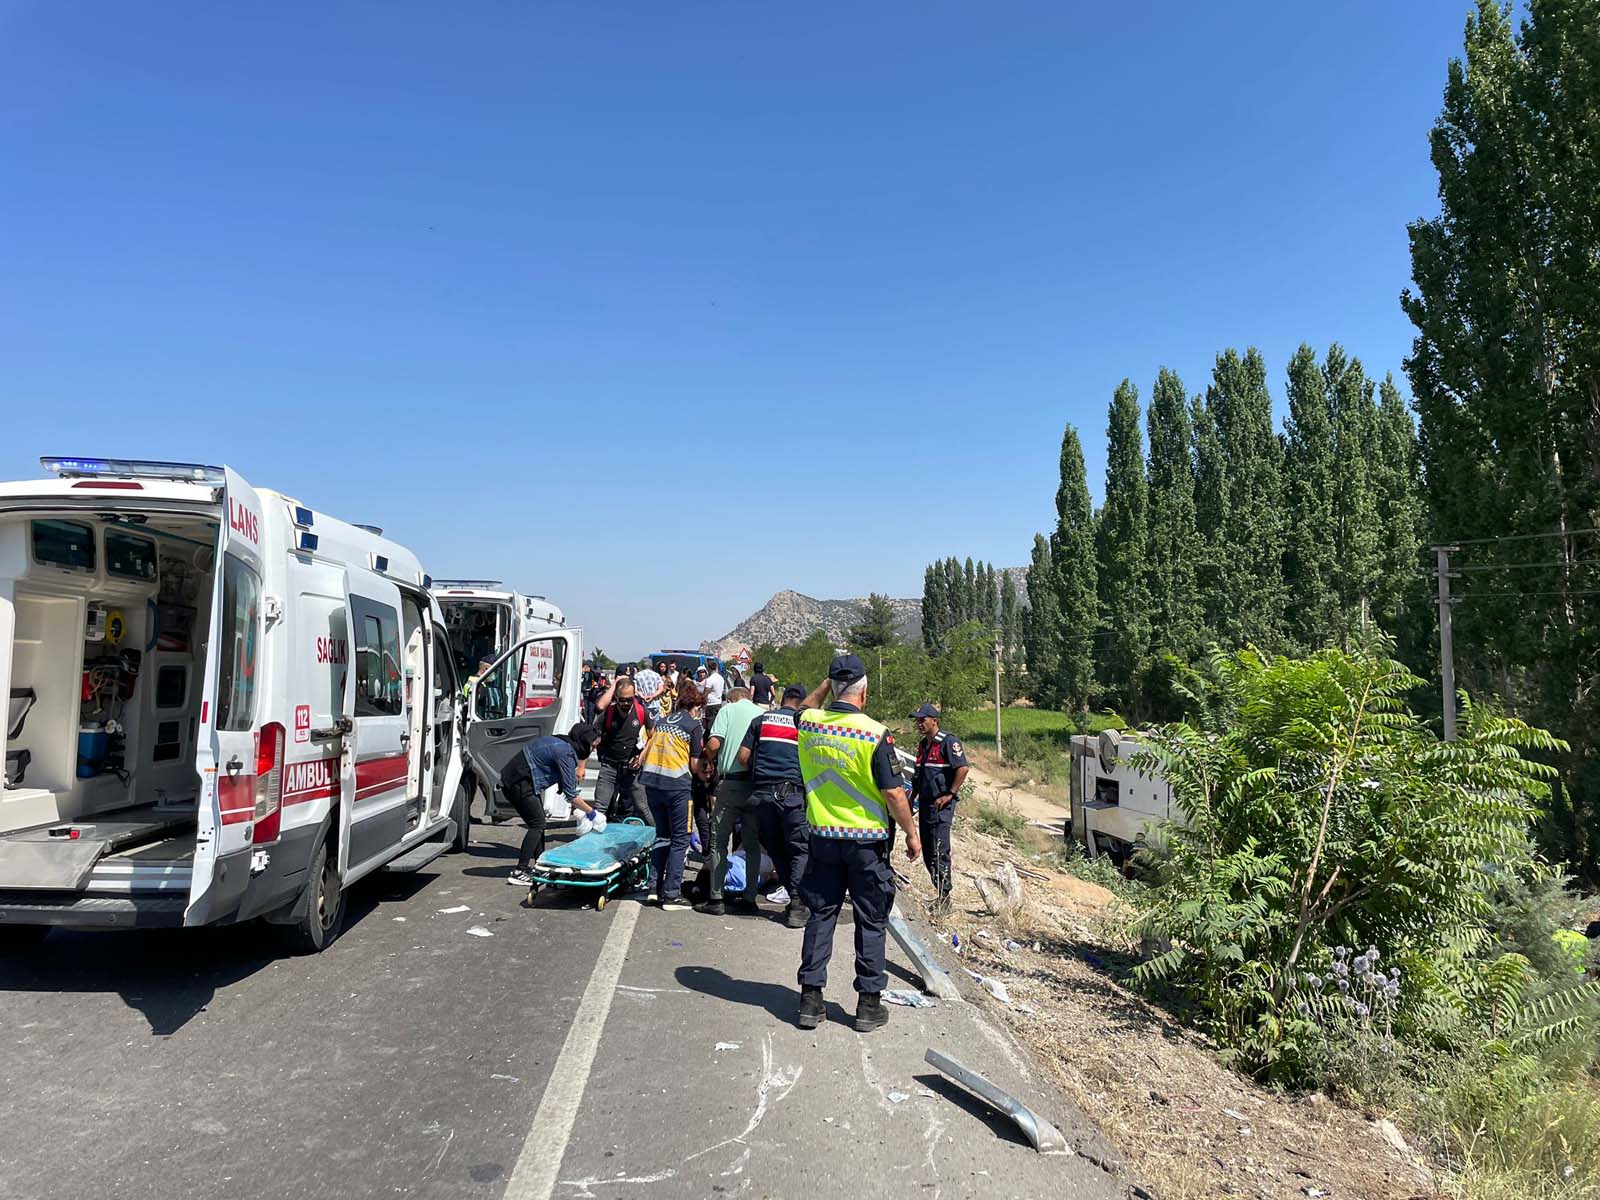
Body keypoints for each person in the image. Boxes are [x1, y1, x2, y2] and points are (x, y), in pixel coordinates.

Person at [794, 655, 920, 1033]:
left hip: (823, 839)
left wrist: (827, 684)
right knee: (871, 919)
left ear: (831, 687)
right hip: (867, 843)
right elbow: (895, 794)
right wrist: (913, 835)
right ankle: (868, 1004)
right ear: (864, 692)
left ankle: (810, 1000)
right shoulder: (874, 733)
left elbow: (804, 706)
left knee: (821, 916)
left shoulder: (810, 724)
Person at [502, 722, 605, 889]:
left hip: (517, 779)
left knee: (538, 822)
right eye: (592, 746)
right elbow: (571, 796)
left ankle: (541, 866)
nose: (592, 750)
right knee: (537, 824)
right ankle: (520, 871)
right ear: (584, 742)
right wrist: (593, 814)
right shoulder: (565, 753)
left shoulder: (561, 742)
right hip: (520, 782)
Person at [742, 683, 810, 928]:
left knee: (776, 849)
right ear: (801, 703)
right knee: (800, 849)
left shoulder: (760, 721)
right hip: (791, 796)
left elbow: (743, 757)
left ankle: (794, 898)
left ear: (782, 699)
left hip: (762, 796)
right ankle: (797, 903)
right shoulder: (803, 724)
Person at [696, 686, 767, 916]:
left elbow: (715, 744)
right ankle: (749, 898)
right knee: (751, 844)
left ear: (730, 698)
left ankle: (716, 898)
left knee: (719, 841)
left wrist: (706, 757)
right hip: (755, 786)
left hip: (731, 784)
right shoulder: (761, 713)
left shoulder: (727, 710)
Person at [639, 681, 706, 909]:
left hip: (651, 783)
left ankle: (653, 888)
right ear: (696, 706)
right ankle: (671, 894)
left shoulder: (663, 720)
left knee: (662, 836)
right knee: (680, 839)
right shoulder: (693, 725)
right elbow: (695, 765)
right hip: (677, 786)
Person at [909, 703, 969, 911]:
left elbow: (962, 768)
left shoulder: (947, 742)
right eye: (917, 720)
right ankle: (939, 891)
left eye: (923, 720)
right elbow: (919, 776)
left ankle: (945, 896)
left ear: (934, 720)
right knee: (927, 850)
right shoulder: (923, 745)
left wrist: (950, 794)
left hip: (940, 805)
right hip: (925, 804)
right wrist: (912, 798)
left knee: (939, 849)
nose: (919, 724)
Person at [592, 674, 653, 825]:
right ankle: (591, 840)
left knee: (642, 807)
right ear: (616, 697)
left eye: (629, 699)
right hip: (610, 767)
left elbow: (654, 737)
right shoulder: (608, 713)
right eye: (622, 700)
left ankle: (659, 837)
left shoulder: (641, 712)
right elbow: (592, 738)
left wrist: (641, 757)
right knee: (600, 807)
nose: (625, 703)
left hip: (631, 767)